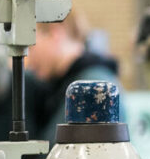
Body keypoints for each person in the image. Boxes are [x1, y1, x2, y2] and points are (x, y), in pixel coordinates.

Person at [27, 9, 121, 143]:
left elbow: (58, 153)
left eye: (31, 47)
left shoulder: (92, 87)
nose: (28, 60)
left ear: (55, 33)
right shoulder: (63, 85)